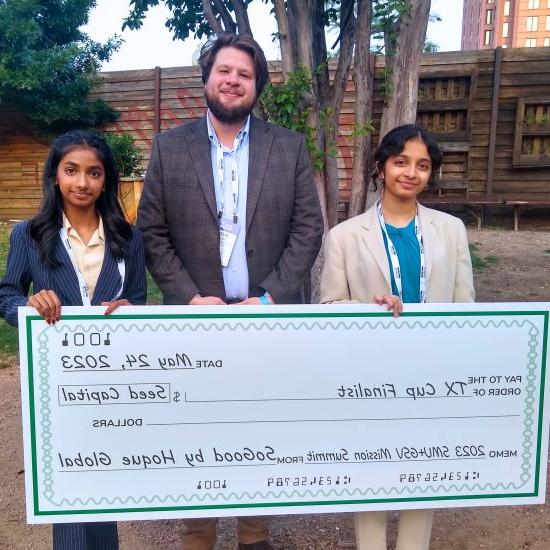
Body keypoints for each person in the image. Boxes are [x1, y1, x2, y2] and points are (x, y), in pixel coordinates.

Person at [137, 32, 323, 550]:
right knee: (198, 430)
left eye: (244, 74)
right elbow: (152, 231)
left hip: (266, 320)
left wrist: (268, 297)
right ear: (207, 78)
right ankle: (198, 533)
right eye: (225, 71)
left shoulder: (287, 147)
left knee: (261, 430)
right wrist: (189, 298)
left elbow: (308, 229)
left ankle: (254, 535)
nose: (233, 81)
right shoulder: (169, 148)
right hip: (196, 323)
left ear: (257, 86)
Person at [320, 124, 475, 550]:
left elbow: (466, 308)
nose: (411, 172)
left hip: (432, 376)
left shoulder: (451, 231)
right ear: (381, 167)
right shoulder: (345, 237)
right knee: (369, 475)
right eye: (401, 161)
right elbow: (329, 308)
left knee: (421, 477)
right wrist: (369, 308)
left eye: (422, 165)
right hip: (368, 380)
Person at [0, 130, 146, 549]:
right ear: (55, 175)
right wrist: (29, 307)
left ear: (106, 181)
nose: (82, 183)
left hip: (113, 380)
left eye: (94, 173)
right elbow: (6, 293)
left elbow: (135, 299)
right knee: (69, 485)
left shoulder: (129, 239)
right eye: (72, 170)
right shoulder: (28, 234)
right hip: (58, 383)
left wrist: (132, 311)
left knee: (104, 480)